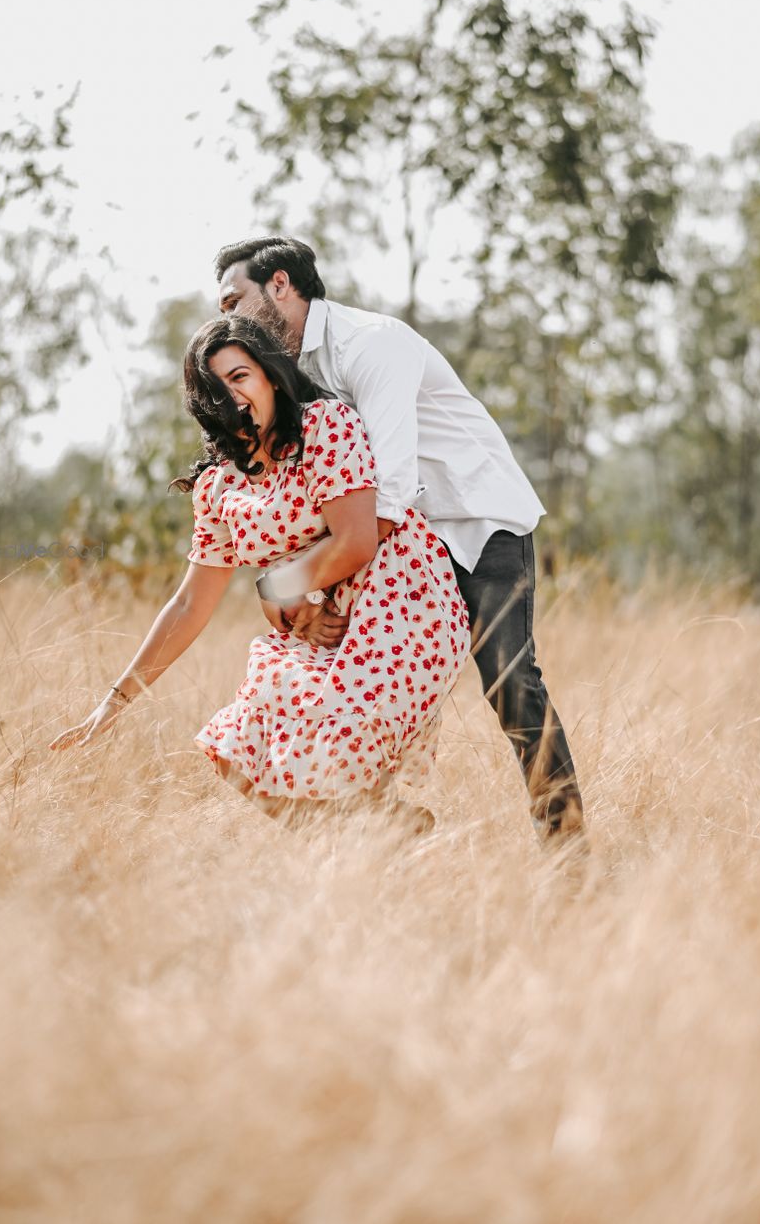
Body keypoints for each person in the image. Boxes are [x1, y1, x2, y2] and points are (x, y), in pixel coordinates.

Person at [212, 236, 586, 851]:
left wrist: (293, 584)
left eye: (236, 300)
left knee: (510, 681)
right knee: (344, 680)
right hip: (407, 545)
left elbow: (385, 496)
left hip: (477, 522)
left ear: (280, 284)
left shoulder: (371, 343)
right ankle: (378, 826)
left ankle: (570, 852)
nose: (229, 320)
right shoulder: (292, 377)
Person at [49, 317, 470, 835]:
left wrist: (275, 588)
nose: (232, 395)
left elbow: (357, 540)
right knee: (239, 749)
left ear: (270, 375)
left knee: (328, 738)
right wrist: (111, 707)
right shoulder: (220, 487)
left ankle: (381, 838)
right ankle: (392, 834)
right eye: (215, 388)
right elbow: (188, 605)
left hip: (402, 604)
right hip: (320, 626)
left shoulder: (324, 426)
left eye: (240, 375)